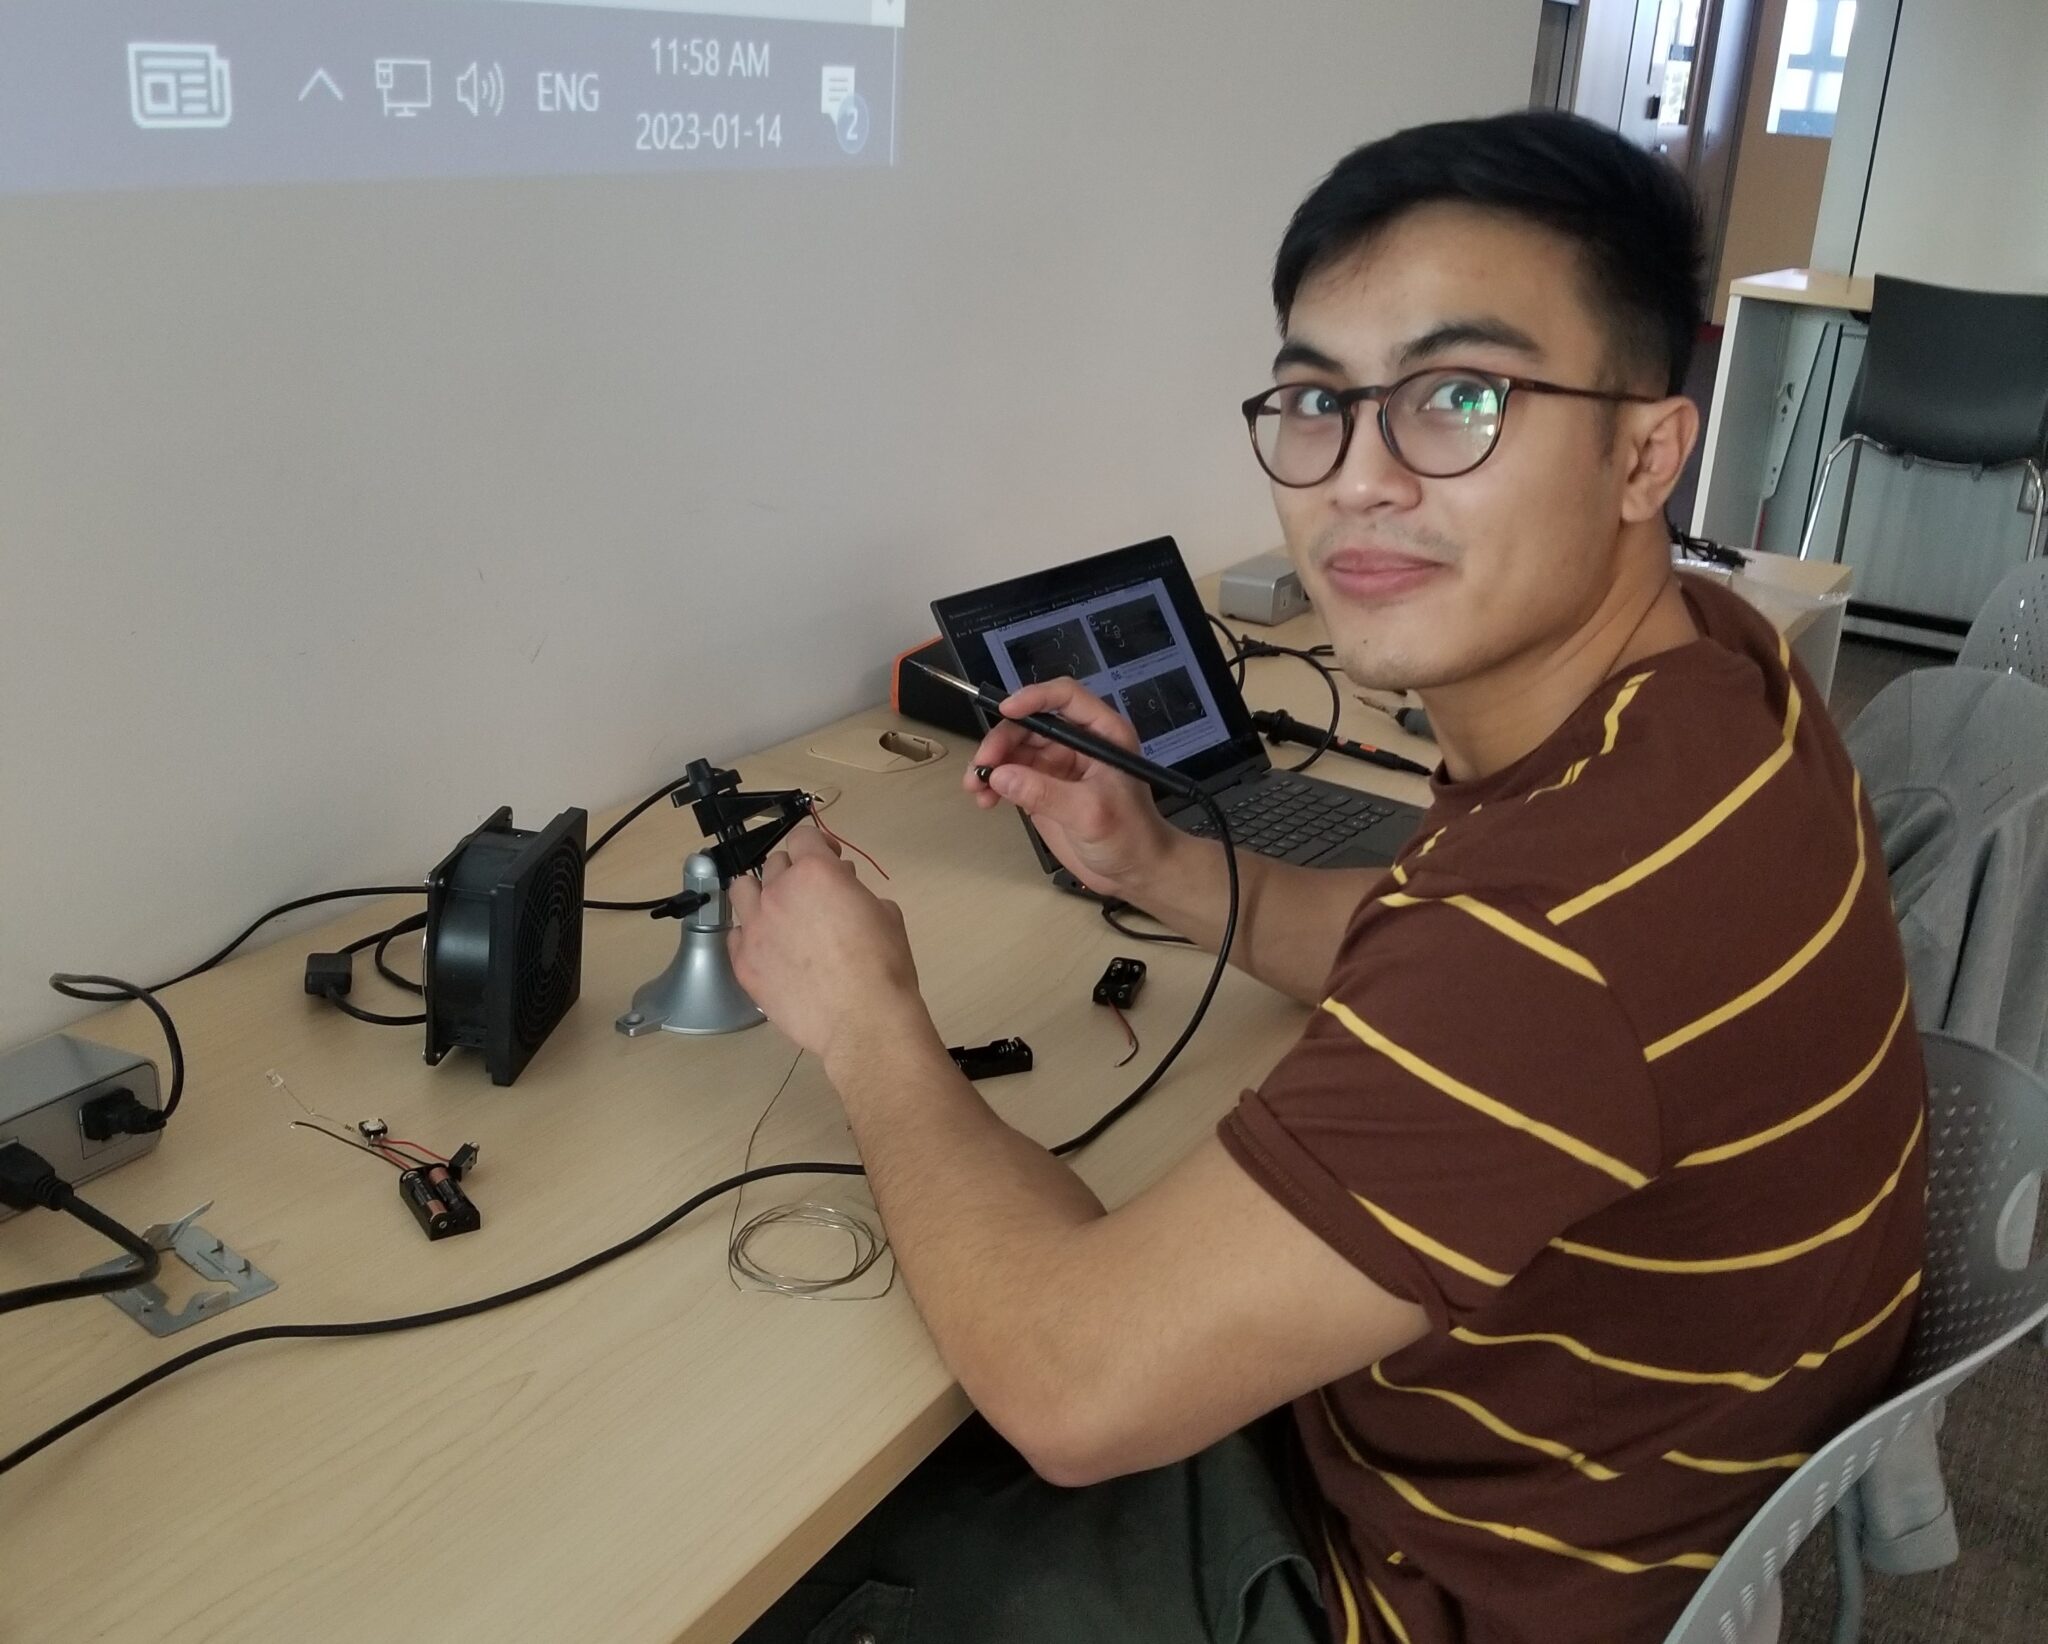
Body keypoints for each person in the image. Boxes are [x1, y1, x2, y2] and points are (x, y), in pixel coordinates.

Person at [728, 110, 1927, 1644]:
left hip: (1405, 1583)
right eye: (1315, 401)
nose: (1357, 478)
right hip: (1606, 1492)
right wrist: (1158, 861)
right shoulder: (1712, 681)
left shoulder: (1557, 929)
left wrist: (867, 1018)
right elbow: (1417, 932)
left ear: (1646, 449)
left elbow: (1072, 1389)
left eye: (1459, 396)